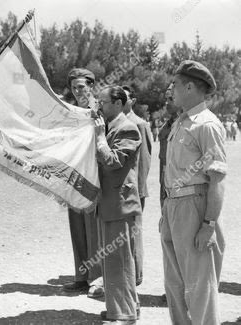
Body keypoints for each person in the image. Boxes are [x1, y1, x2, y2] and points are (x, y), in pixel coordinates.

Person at [161, 60, 226, 324]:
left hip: (195, 205)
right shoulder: (180, 122)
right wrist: (167, 210)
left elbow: (217, 180)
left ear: (189, 86)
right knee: (174, 285)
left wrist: (209, 224)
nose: (170, 89)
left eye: (174, 84)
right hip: (174, 206)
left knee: (200, 288)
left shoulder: (206, 125)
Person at [93, 86, 141, 324]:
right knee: (112, 262)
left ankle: (125, 314)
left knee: (120, 261)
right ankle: (121, 308)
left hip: (121, 205)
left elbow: (113, 161)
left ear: (119, 103)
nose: (99, 106)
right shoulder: (111, 127)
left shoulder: (128, 128)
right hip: (109, 203)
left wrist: (100, 138)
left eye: (103, 102)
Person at [61, 68, 103, 298]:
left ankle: (96, 278)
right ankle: (81, 276)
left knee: (93, 228)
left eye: (82, 87)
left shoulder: (99, 110)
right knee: (77, 226)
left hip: (94, 175)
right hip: (74, 176)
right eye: (74, 87)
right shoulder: (71, 112)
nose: (78, 91)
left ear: (91, 86)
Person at [122, 85, 152, 287]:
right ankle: (123, 275)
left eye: (124, 98)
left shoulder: (139, 123)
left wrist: (138, 189)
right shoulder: (115, 122)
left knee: (133, 233)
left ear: (132, 100)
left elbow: (145, 160)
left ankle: (136, 275)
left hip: (134, 190)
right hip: (117, 189)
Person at [158, 84, 180, 208]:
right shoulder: (165, 128)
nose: (167, 103)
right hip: (165, 183)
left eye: (171, 99)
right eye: (166, 99)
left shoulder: (189, 126)